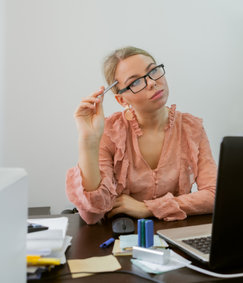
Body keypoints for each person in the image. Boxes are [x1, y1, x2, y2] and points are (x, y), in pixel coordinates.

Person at [66, 46, 217, 224]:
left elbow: (214, 195)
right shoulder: (109, 132)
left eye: (153, 71)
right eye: (135, 82)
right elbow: (92, 216)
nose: (152, 82)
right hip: (120, 239)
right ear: (121, 99)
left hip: (175, 234)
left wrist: (148, 208)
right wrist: (88, 141)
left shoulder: (191, 128)